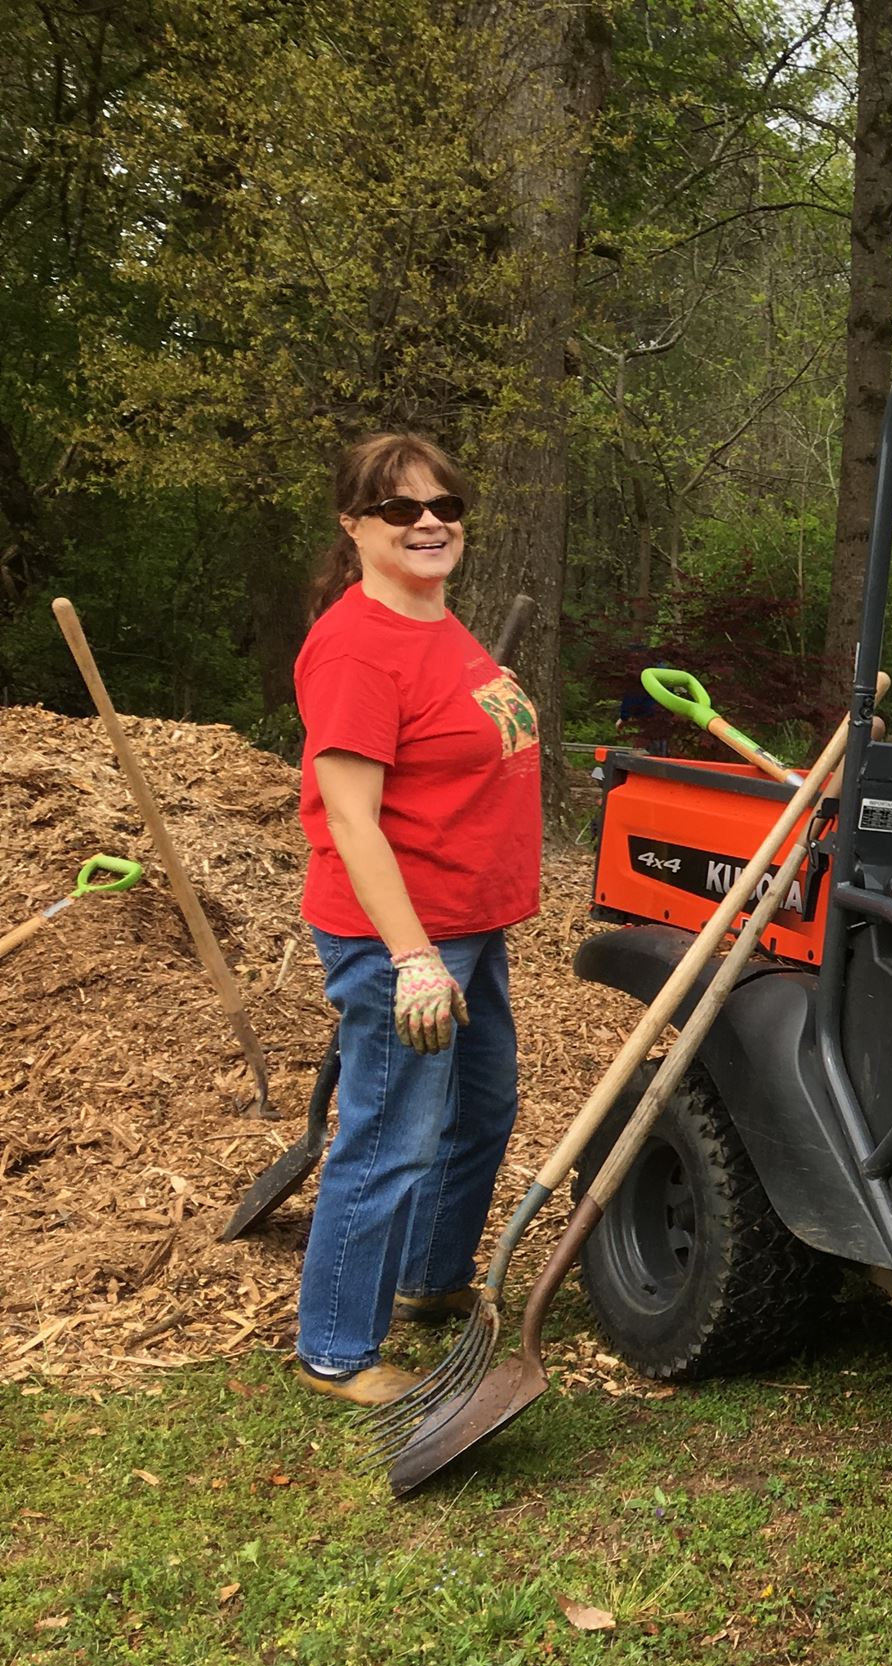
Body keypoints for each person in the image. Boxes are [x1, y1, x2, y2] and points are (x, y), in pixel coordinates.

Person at [290, 433, 542, 1405]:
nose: (430, 521)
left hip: (469, 926)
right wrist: (412, 960)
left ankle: (428, 1278)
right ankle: (335, 1349)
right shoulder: (355, 647)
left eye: (445, 504)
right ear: (355, 526)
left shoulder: (436, 621)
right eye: (401, 509)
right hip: (403, 941)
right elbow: (350, 819)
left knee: (479, 1110)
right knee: (392, 1134)